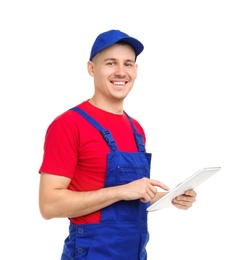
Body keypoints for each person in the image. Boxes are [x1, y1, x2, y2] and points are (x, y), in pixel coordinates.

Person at [38, 29, 197, 260]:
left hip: (135, 251)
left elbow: (132, 197)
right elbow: (49, 205)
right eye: (111, 63)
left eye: (128, 64)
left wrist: (172, 195)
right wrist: (122, 191)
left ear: (136, 70)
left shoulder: (136, 129)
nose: (121, 72)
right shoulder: (68, 125)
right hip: (93, 252)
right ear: (92, 68)